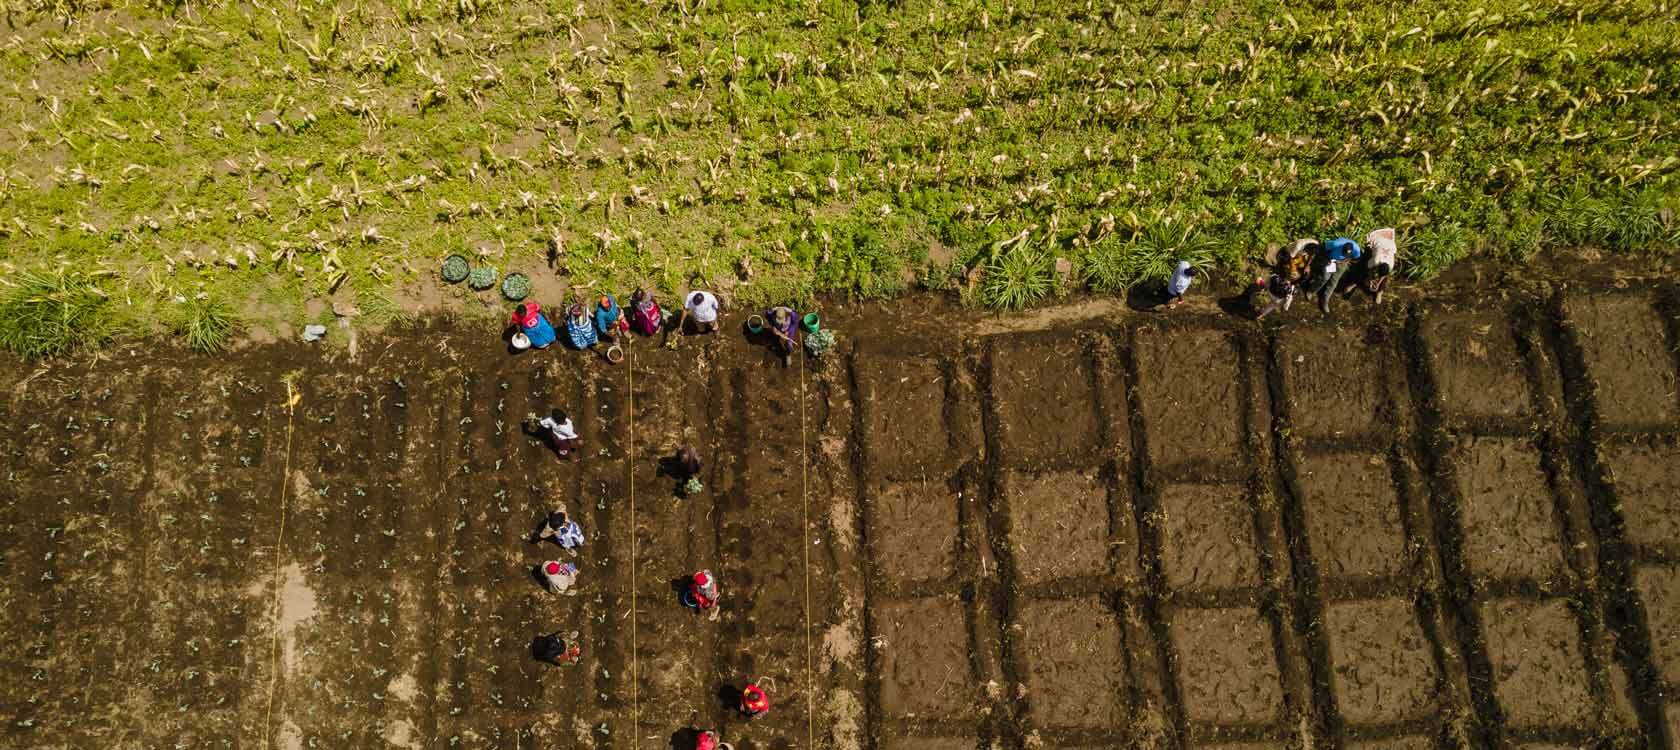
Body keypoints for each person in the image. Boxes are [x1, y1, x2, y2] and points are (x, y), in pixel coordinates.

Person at [1313, 237, 1362, 312]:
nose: (1344, 255)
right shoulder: (1335, 244)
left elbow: (1357, 259)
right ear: (1342, 247)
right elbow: (1323, 248)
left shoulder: (1356, 249)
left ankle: (1325, 300)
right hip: (1331, 261)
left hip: (1342, 264)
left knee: (1334, 283)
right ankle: (1312, 290)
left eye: (1346, 254)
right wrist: (1327, 259)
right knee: (1325, 278)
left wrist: (1347, 260)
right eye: (1343, 253)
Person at [1362, 228, 1398, 304]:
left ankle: (1380, 292)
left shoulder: (1391, 264)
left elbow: (1384, 275)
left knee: (1385, 278)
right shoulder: (1376, 260)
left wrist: (1378, 283)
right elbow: (1368, 268)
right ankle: (1357, 282)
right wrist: (1371, 279)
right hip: (1379, 241)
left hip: (1389, 244)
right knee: (1365, 266)